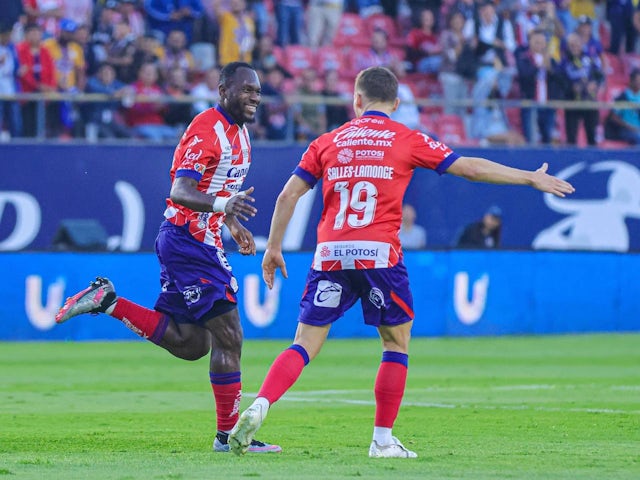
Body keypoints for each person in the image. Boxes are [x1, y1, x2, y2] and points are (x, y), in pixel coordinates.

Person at [228, 66, 575, 457]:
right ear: (396, 104)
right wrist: (529, 177)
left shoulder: (327, 141)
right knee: (396, 342)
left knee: (304, 342)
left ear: (356, 100)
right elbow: (471, 168)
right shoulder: (406, 138)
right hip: (378, 253)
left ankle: (260, 405)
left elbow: (287, 197)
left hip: (329, 254)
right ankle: (381, 441)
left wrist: (274, 248)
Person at [55, 61, 281, 455]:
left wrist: (230, 221)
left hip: (198, 240)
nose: (254, 98)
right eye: (246, 90)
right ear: (223, 89)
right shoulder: (206, 128)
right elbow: (180, 189)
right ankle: (229, 438)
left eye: (258, 92)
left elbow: (215, 191)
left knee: (192, 343)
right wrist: (226, 204)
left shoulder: (242, 135)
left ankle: (108, 301)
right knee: (230, 335)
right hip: (188, 241)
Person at [604, 68, 640, 145]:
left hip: (638, 129)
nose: (639, 83)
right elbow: (613, 117)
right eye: (638, 81)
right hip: (625, 130)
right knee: (638, 137)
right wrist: (629, 126)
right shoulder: (623, 97)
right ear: (631, 81)